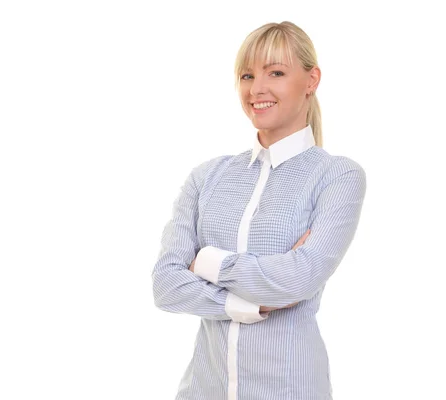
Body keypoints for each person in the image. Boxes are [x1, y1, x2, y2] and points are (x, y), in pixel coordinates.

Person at [152, 21, 367, 400]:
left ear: (311, 80)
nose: (257, 89)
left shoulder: (337, 176)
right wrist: (242, 303)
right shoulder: (207, 177)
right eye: (247, 75)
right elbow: (166, 285)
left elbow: (299, 278)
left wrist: (206, 262)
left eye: (277, 73)